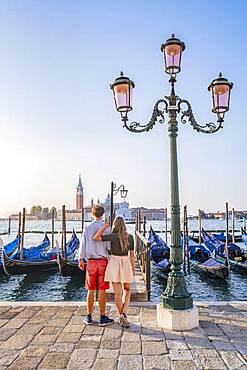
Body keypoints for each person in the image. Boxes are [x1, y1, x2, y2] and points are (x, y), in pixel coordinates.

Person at [93, 216, 135, 328]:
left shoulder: (112, 237)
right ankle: (123, 314)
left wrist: (104, 226)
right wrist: (133, 268)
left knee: (118, 293)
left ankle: (120, 315)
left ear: (115, 225)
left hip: (114, 263)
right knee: (127, 289)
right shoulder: (130, 237)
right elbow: (132, 255)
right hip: (126, 263)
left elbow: (96, 237)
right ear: (124, 225)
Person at [78, 205, 114, 326]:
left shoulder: (87, 227)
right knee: (102, 290)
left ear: (92, 214)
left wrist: (80, 259)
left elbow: (83, 244)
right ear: (102, 214)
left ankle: (89, 317)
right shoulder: (107, 228)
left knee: (90, 290)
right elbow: (109, 246)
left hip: (91, 262)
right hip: (103, 261)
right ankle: (102, 317)